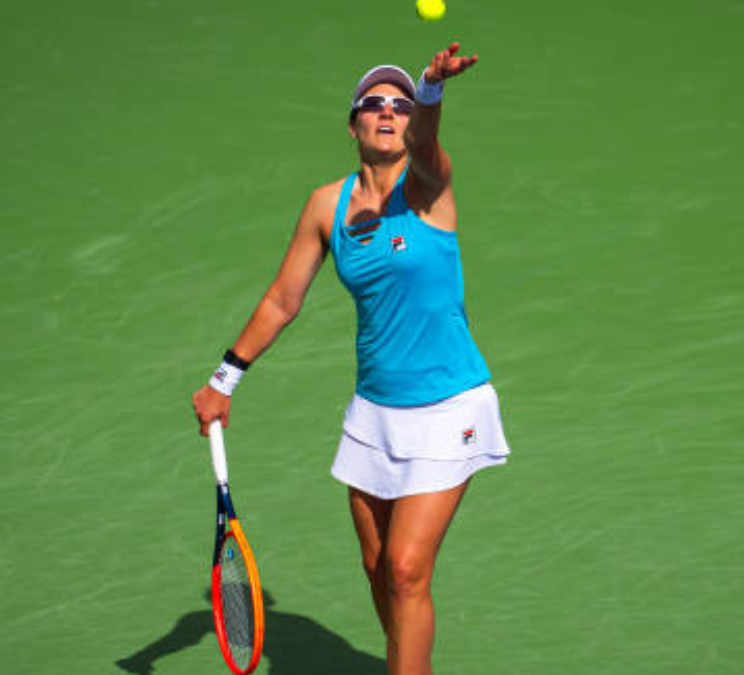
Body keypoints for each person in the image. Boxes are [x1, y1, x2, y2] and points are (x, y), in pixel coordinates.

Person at [191, 43, 509, 675]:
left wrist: (432, 90)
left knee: (406, 569)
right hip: (375, 413)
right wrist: (224, 379)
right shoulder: (325, 206)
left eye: (402, 105)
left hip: (450, 407)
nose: (389, 112)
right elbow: (282, 300)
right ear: (353, 124)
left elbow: (427, 144)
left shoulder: (428, 187)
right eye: (375, 103)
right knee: (377, 568)